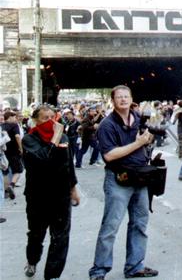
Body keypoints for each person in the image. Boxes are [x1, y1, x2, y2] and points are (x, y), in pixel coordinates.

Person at [88, 85, 159, 280]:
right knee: (111, 226)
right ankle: (99, 270)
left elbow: (147, 140)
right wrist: (139, 143)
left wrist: (148, 139)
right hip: (119, 178)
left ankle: (135, 266)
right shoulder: (107, 125)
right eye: (119, 97)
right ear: (113, 101)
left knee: (140, 224)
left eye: (126, 96)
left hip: (140, 177)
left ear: (131, 98)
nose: (123, 100)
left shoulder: (138, 119)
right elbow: (109, 155)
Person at [22, 105, 80, 279]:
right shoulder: (29, 139)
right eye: (44, 118)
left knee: (60, 237)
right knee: (36, 234)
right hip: (37, 196)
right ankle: (32, 260)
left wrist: (73, 188)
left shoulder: (63, 137)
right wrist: (54, 138)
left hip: (60, 195)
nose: (50, 122)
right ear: (36, 120)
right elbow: (42, 159)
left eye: (52, 117)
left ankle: (52, 275)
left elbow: (68, 164)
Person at [2, 110, 24, 198]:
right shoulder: (14, 125)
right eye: (14, 117)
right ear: (10, 117)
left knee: (6, 171)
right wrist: (21, 148)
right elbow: (17, 136)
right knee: (18, 171)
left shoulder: (1, 125)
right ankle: (11, 185)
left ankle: (6, 191)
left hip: (4, 152)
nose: (16, 118)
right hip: (14, 151)